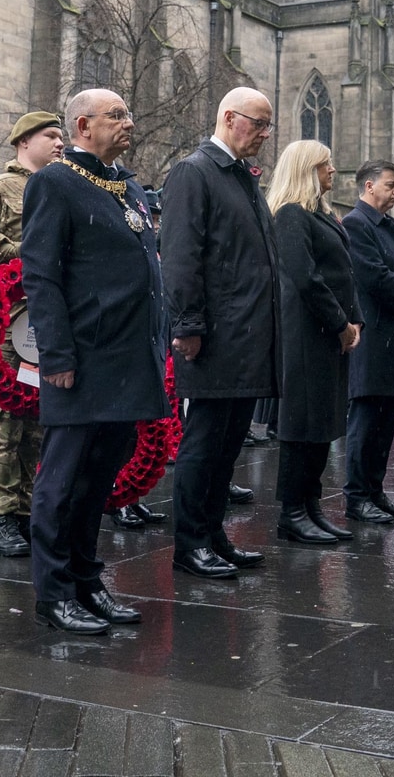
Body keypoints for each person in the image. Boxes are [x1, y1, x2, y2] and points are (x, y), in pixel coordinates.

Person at [21, 89, 168, 634]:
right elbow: (41, 273)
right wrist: (56, 352)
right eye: (116, 115)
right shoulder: (53, 182)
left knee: (99, 477)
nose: (128, 122)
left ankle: (86, 580)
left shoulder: (126, 185)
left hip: (130, 354)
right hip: (83, 357)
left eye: (129, 112)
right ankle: (54, 593)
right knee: (63, 480)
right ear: (83, 125)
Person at [160, 87, 281, 579]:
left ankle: (212, 534)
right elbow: (183, 255)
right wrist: (187, 324)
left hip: (246, 333)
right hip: (215, 335)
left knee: (228, 444)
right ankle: (190, 543)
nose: (266, 135)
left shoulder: (240, 176)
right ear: (230, 118)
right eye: (259, 123)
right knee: (205, 443)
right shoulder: (195, 172)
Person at [0, 110, 65, 557]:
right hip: (6, 324)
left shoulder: (62, 187)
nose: (60, 143)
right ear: (24, 141)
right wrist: (32, 250)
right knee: (3, 420)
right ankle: (1, 516)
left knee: (36, 424)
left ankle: (28, 511)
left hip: (47, 322)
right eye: (51, 136)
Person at [268, 140, 361, 545]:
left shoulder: (321, 215)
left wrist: (351, 320)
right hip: (306, 334)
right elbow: (305, 277)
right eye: (326, 165)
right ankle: (292, 512)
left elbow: (343, 271)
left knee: (321, 424)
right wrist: (341, 322)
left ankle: (312, 507)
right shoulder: (291, 214)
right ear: (307, 170)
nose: (334, 171)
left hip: (328, 334)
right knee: (302, 425)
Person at [341, 161, 394, 523]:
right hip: (373, 336)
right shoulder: (357, 225)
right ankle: (357, 496)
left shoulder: (393, 228)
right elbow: (374, 276)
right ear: (369, 185)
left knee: (385, 419)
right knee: (366, 420)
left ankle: (375, 492)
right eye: (391, 186)